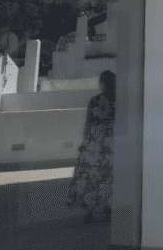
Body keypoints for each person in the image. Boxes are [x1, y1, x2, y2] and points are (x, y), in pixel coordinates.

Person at [67, 69, 115, 223]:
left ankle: (90, 212)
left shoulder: (95, 101)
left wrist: (85, 142)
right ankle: (105, 209)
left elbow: (88, 124)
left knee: (90, 177)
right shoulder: (119, 101)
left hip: (95, 144)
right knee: (107, 178)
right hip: (110, 146)